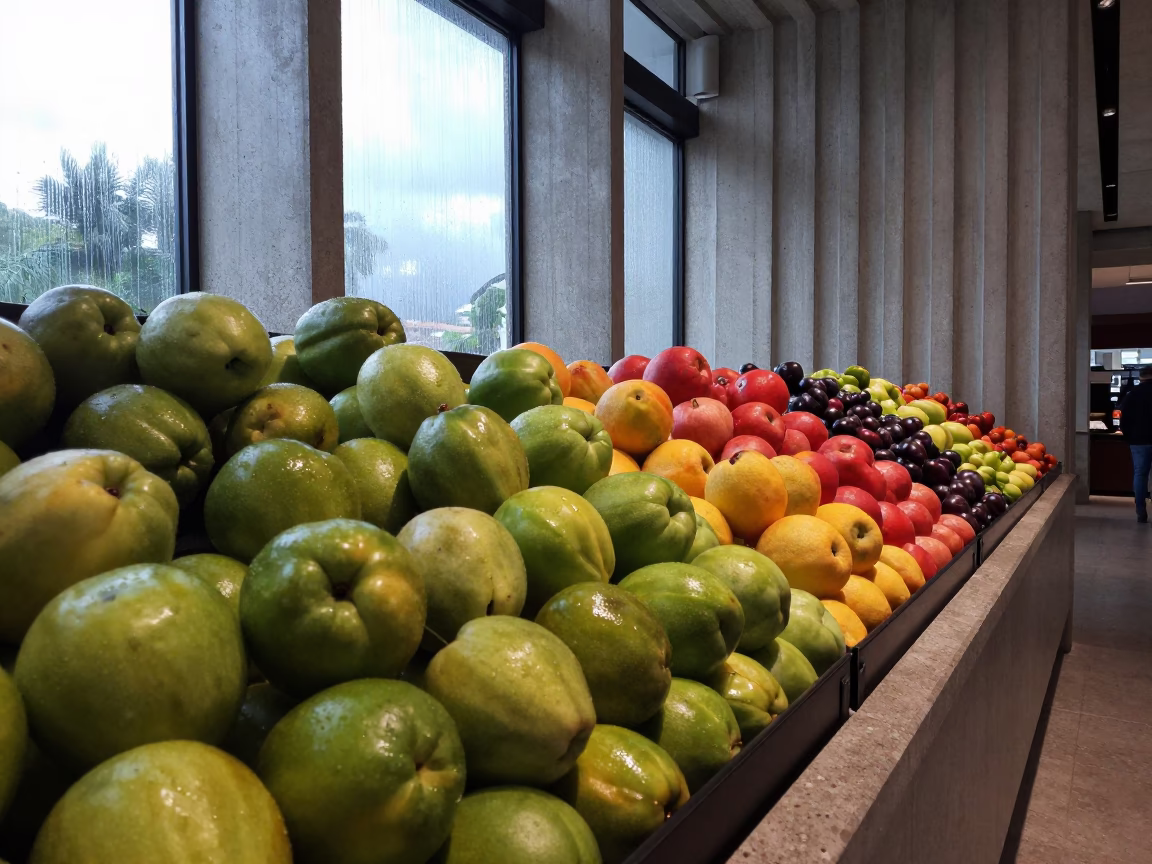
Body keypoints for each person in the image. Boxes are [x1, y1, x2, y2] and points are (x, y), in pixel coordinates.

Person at [1119, 365, 1152, 522]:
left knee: (1140, 474)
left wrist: (1129, 437)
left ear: (1141, 377)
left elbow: (1124, 419)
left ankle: (1140, 511)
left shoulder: (1132, 394)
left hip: (1138, 441)